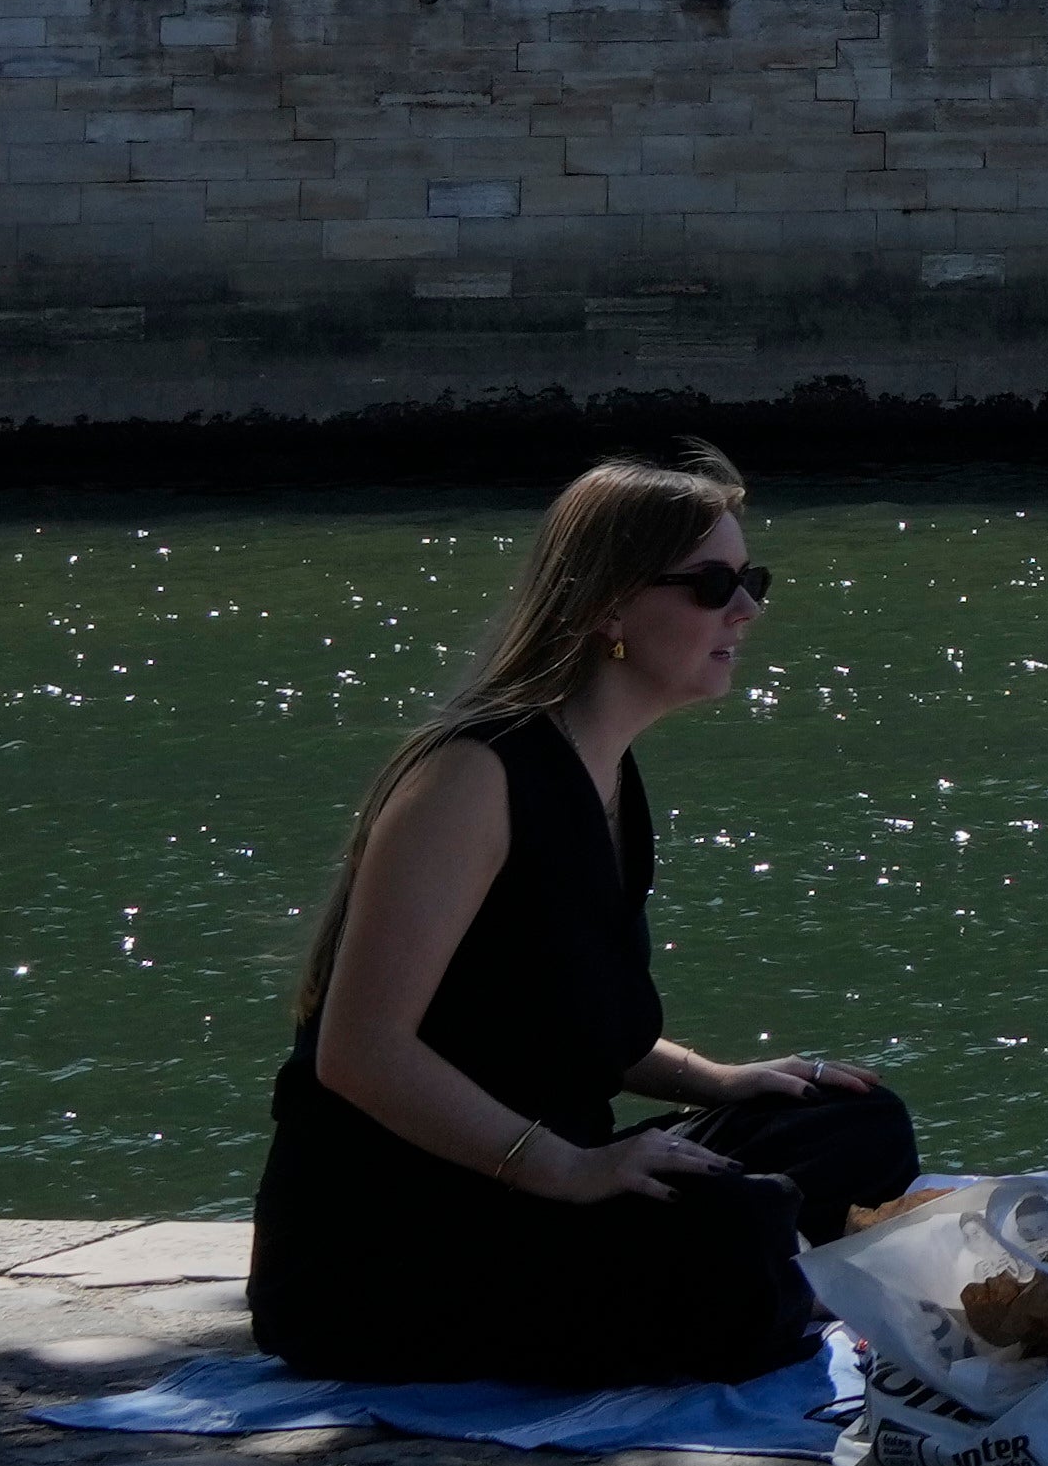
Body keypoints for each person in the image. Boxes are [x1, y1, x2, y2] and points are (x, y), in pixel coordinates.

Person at [248, 439, 911, 1384]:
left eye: (751, 576)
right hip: (401, 1234)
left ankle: (758, 1263)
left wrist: (723, 1079)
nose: (746, 607)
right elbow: (358, 1051)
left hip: (550, 1171)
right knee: (736, 1238)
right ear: (607, 602)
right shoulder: (471, 775)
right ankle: (759, 1270)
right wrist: (563, 1167)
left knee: (855, 1119)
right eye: (712, 583)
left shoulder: (605, 772)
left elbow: (570, 1019)